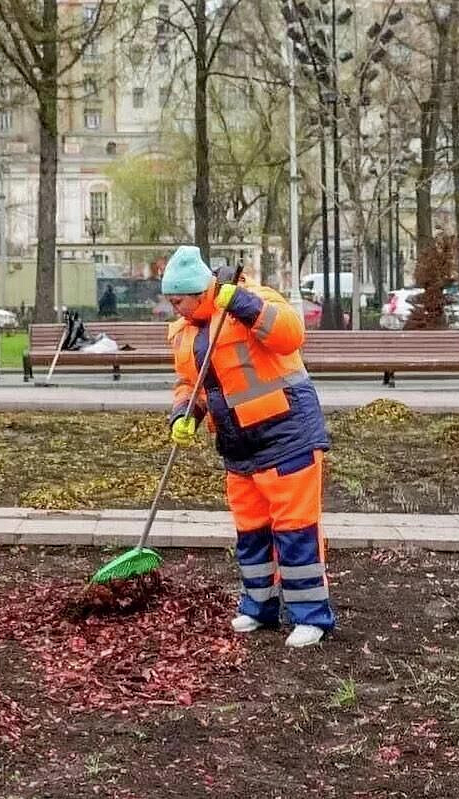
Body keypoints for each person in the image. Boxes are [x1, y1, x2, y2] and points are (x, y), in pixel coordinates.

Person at [161, 245, 334, 648]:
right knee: (251, 533)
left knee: (295, 530)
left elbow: (292, 333)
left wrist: (240, 302)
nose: (176, 309)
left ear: (200, 291)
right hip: (238, 446)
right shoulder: (185, 332)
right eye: (171, 302)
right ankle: (259, 608)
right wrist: (185, 414)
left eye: (179, 300)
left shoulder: (250, 297)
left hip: (286, 432)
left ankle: (312, 617)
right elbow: (192, 383)